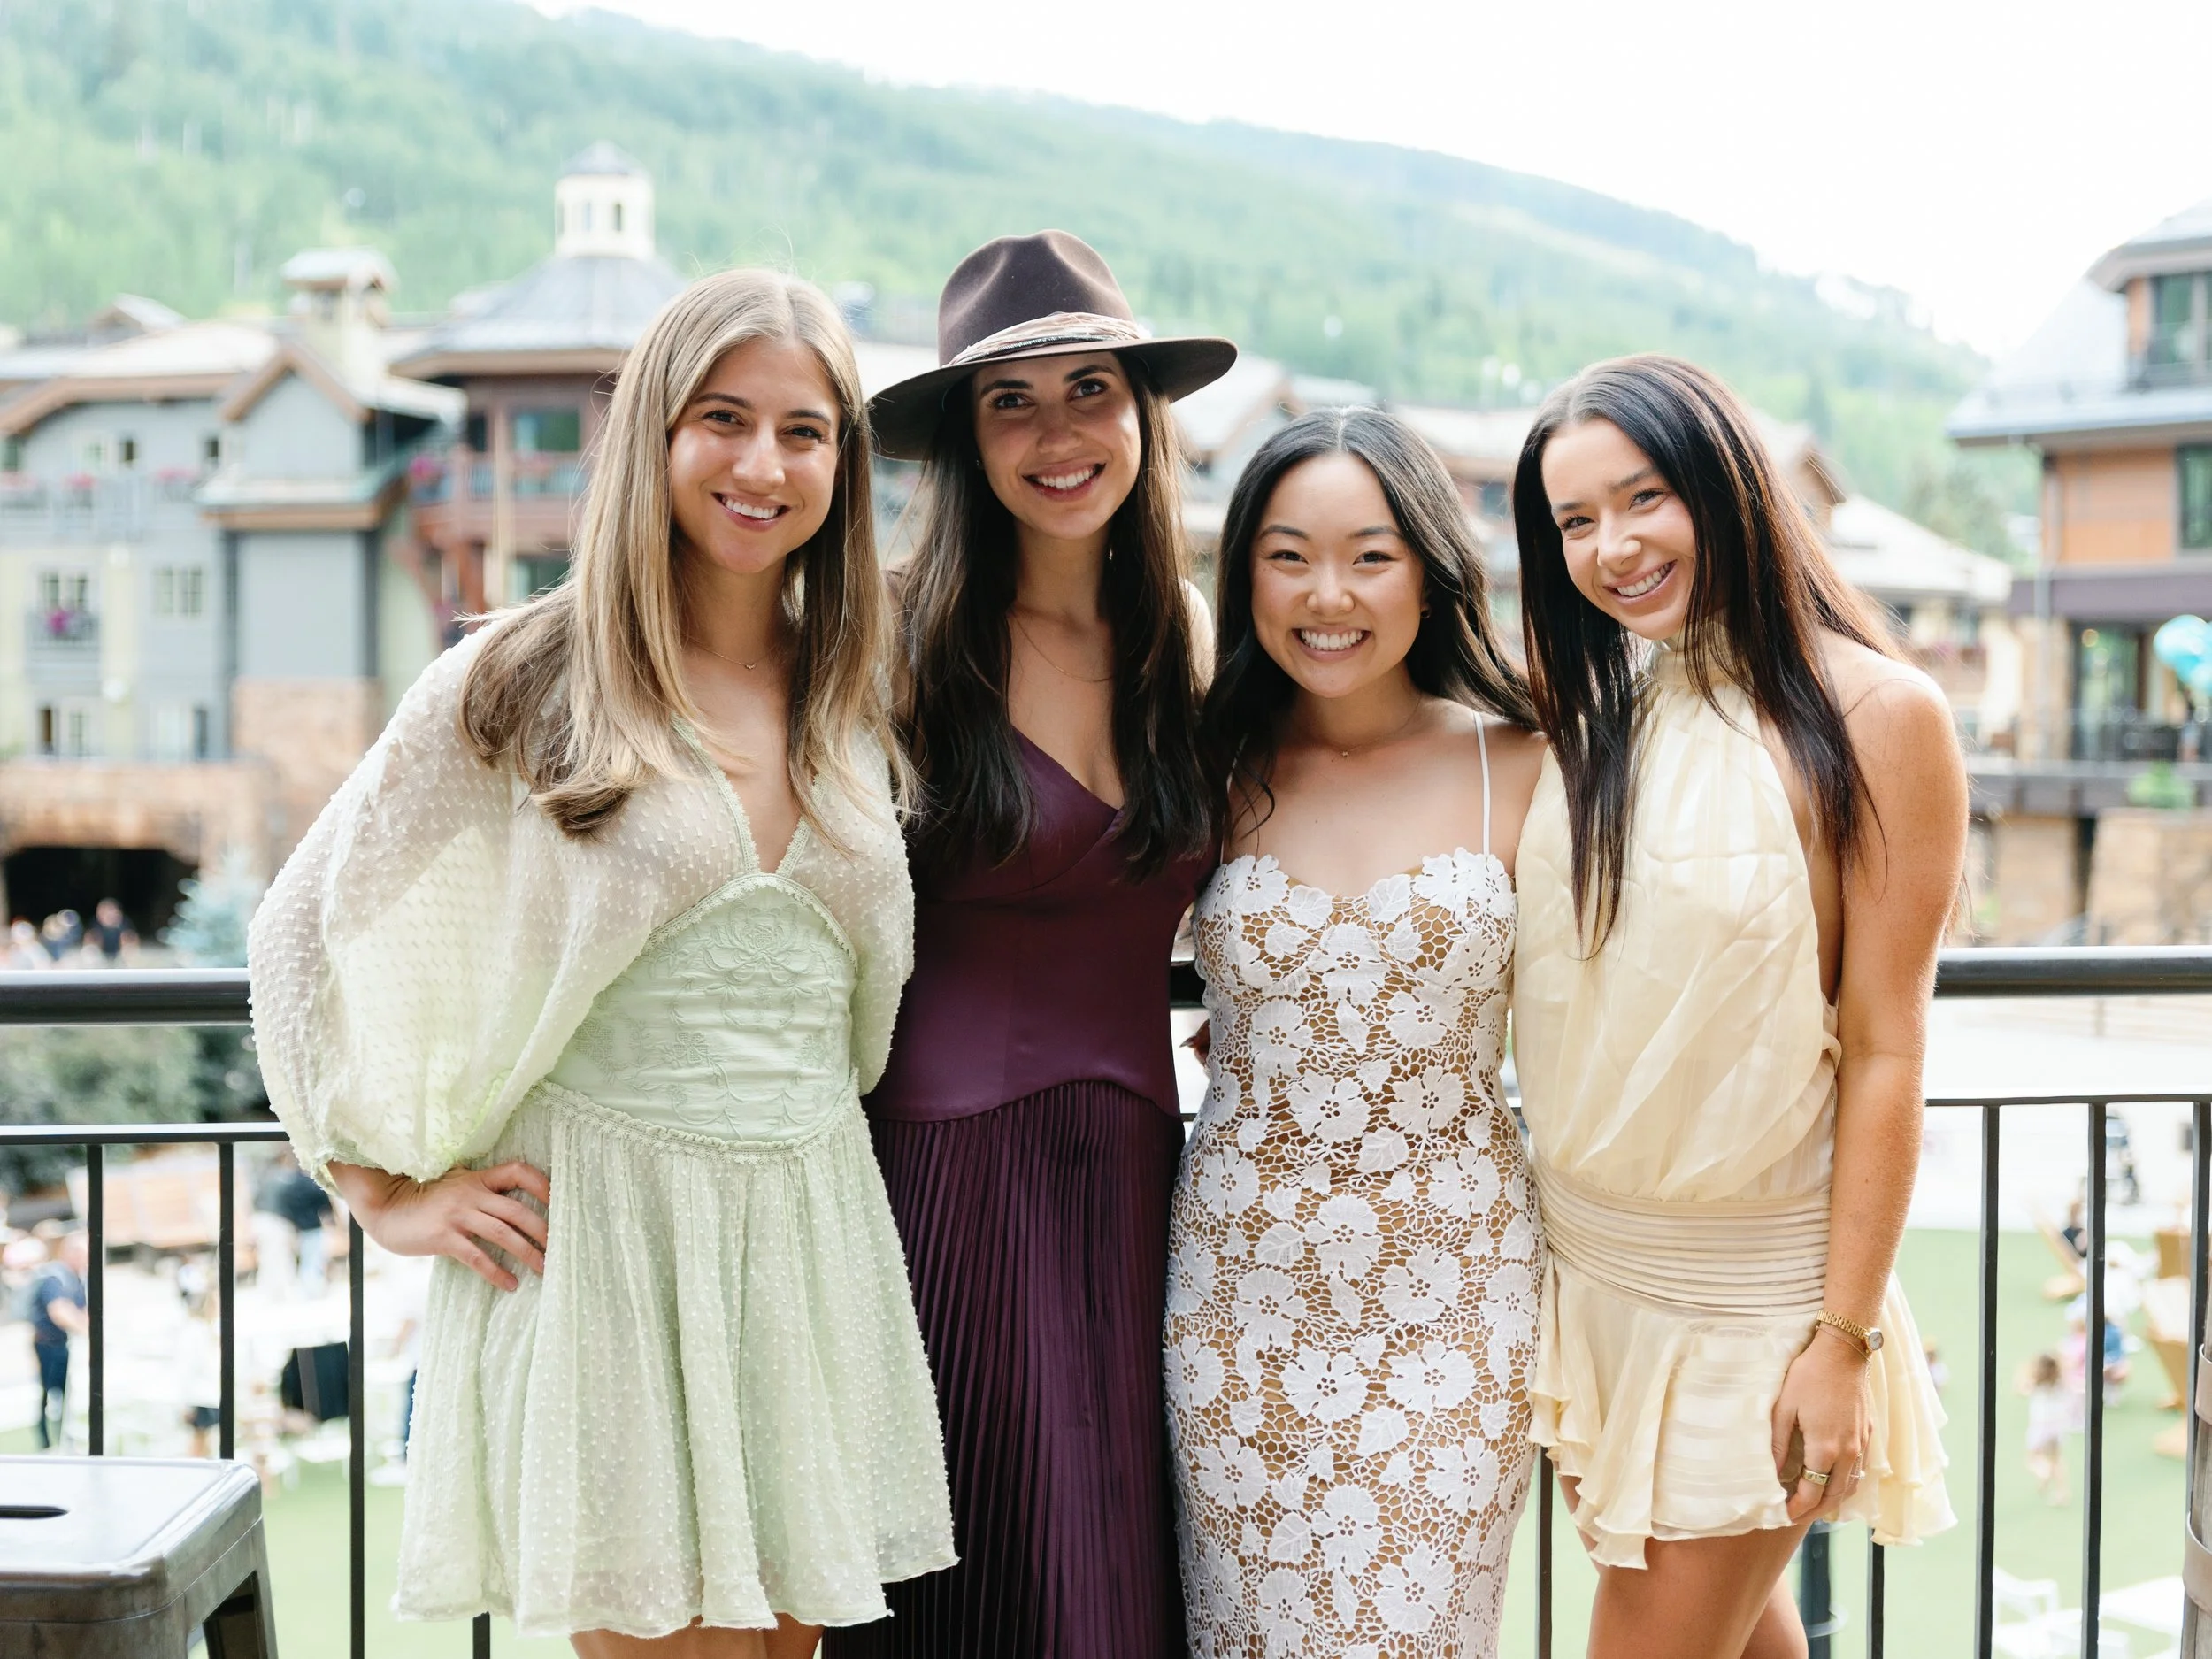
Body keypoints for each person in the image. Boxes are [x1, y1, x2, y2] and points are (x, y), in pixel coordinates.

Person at [250, 267, 952, 1656]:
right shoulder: (521, 675)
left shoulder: (858, 684)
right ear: (655, 435)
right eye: (724, 419)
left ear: (843, 464)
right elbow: (301, 927)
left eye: (805, 431)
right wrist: (380, 1187)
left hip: (808, 1231)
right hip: (608, 1244)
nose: (764, 463)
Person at [822, 230, 1233, 1659]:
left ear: (1141, 416)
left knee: (1113, 1581)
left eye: (1089, 390)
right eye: (1013, 401)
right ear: (969, 440)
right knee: (982, 1581)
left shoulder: (1183, 638)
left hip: (1135, 1180)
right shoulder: (899, 649)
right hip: (947, 1182)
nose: (1058, 434)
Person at [1511, 355, 1955, 1658]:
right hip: (1592, 1268)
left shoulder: (1877, 712)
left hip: (1749, 1302)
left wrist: (1843, 1338)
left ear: (1725, 484)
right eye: (1574, 521)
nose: (1611, 546)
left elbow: (1885, 1048)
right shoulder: (1601, 709)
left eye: (1642, 498)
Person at [1167, 409, 1546, 1655]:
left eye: (1369, 555)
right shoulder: (1199, 761)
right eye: (1287, 554)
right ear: (1246, 574)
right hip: (1240, 1287)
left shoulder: (1528, 761)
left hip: (1457, 1283)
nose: (1328, 593)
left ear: (1430, 569)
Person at [27, 1226, 88, 1450]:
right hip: (48, 1345)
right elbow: (59, 1310)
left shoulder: (77, 1279)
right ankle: (47, 1442)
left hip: (63, 1344)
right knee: (49, 1395)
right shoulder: (54, 1278)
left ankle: (65, 1437)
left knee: (65, 1394)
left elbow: (82, 1311)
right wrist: (85, 1330)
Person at [256, 1147, 334, 1295]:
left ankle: (302, 1289)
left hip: (299, 1227)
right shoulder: (309, 1183)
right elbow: (323, 1204)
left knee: (302, 1259)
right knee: (313, 1259)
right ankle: (312, 1289)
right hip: (312, 1226)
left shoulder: (287, 1185)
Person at [2021, 1352, 2072, 1504]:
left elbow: (2021, 1390)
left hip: (2040, 1425)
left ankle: (2044, 1472)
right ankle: (2062, 1492)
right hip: (2058, 1425)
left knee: (2032, 1458)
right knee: (2057, 1459)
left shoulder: (2036, 1383)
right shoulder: (2061, 1382)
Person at [89, 898, 136, 964]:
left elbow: (132, 939)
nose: (109, 914)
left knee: (129, 949)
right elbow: (89, 940)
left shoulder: (124, 923)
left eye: (111, 910)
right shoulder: (95, 924)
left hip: (119, 954)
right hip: (102, 954)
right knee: (90, 950)